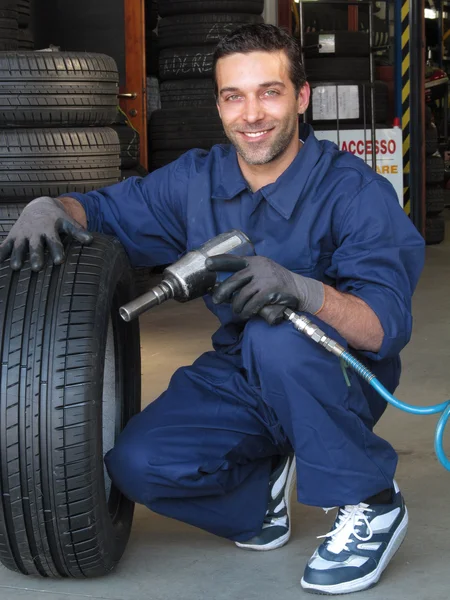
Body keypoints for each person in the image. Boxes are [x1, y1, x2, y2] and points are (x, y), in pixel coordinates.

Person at [0, 24, 425, 595]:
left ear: (300, 98)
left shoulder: (354, 193)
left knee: (280, 339)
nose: (252, 114)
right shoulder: (196, 181)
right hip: (241, 371)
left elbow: (383, 329)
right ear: (219, 105)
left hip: (338, 373)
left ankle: (372, 502)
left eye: (269, 92)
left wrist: (303, 292)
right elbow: (103, 212)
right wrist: (48, 204)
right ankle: (258, 501)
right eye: (234, 96)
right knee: (137, 464)